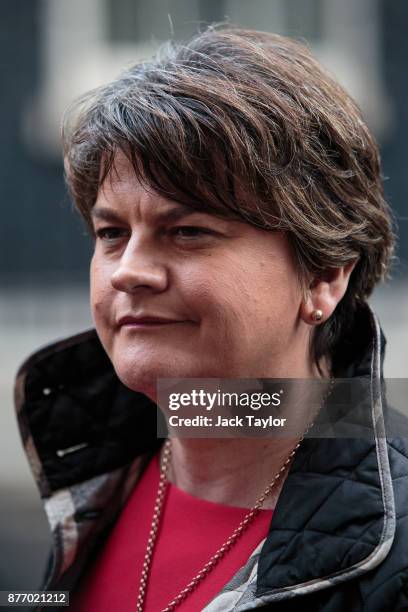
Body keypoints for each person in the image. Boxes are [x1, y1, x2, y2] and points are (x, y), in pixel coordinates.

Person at [14, 26, 408, 611]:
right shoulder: (99, 478)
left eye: (188, 232)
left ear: (325, 275)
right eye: (111, 234)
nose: (129, 271)